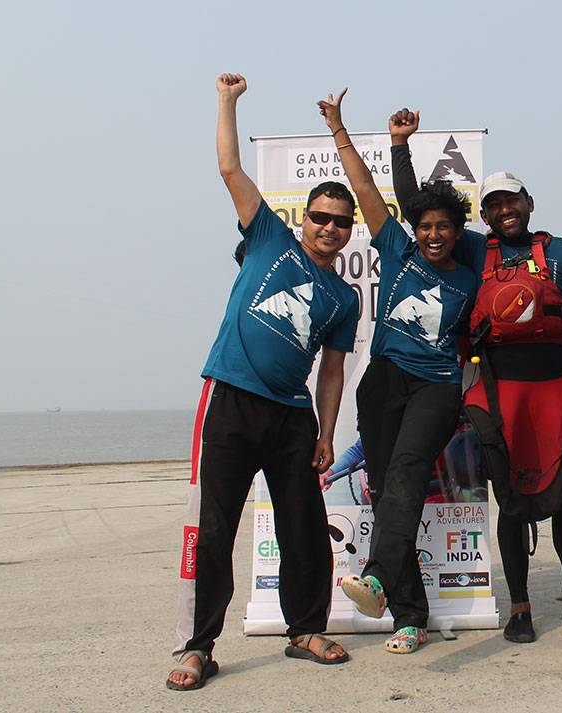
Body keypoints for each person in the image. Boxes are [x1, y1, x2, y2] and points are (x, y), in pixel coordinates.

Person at [389, 110, 562, 643]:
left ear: (528, 204)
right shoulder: (474, 250)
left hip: (556, 392)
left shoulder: (559, 252)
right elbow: (415, 210)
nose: (504, 210)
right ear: (486, 215)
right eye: (493, 205)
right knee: (512, 500)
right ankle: (520, 607)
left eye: (511, 200)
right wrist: (400, 147)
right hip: (500, 393)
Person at [167, 73, 358, 691]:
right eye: (322, 217)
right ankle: (197, 648)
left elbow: (332, 369)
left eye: (340, 222)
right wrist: (228, 102)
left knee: (303, 525)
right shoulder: (268, 236)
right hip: (229, 397)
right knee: (215, 527)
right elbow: (229, 168)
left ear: (350, 230)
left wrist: (326, 433)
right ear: (306, 218)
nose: (329, 228)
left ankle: (305, 629)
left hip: (291, 417)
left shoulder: (344, 297)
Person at [317, 89, 481, 654]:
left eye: (444, 226)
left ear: (459, 231)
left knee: (408, 473)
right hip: (383, 378)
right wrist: (344, 129)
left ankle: (379, 580)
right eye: (426, 226)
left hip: (436, 386)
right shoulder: (398, 249)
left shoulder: (472, 270)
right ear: (416, 229)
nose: (434, 234)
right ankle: (409, 617)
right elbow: (365, 190)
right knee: (390, 492)